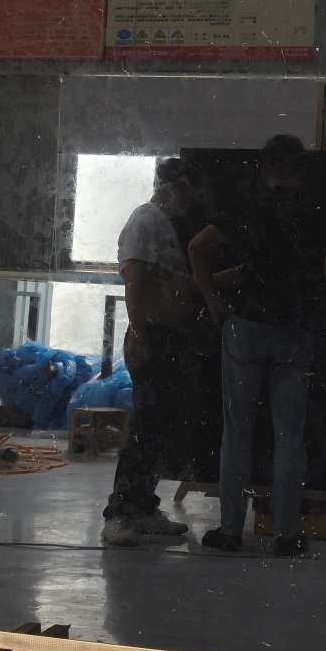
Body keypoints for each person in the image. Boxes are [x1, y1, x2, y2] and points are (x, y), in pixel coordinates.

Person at [188, 135, 326, 558]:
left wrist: (212, 299)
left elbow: (197, 248)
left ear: (263, 167)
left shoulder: (246, 206)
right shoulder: (318, 211)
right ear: (301, 169)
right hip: (295, 331)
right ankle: (287, 534)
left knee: (237, 431)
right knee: (289, 434)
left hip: (247, 327)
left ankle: (229, 530)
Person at [101, 157, 202, 547]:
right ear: (173, 187)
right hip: (153, 337)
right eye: (187, 191)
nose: (190, 200)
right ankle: (119, 514)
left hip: (169, 338)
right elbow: (135, 280)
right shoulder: (145, 220)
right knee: (146, 429)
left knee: (159, 430)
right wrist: (142, 335)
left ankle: (142, 507)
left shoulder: (164, 225)